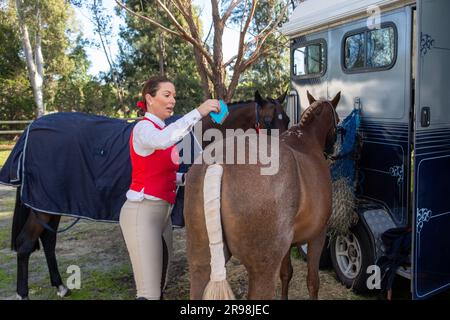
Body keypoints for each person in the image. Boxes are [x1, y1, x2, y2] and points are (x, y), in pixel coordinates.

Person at [119, 75, 220, 300]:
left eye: (174, 95)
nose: (172, 100)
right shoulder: (144, 130)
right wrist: (199, 112)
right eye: (167, 95)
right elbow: (164, 139)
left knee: (161, 285)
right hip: (142, 214)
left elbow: (166, 176)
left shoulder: (161, 130)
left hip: (163, 216)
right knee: (148, 293)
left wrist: (195, 177)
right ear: (149, 98)